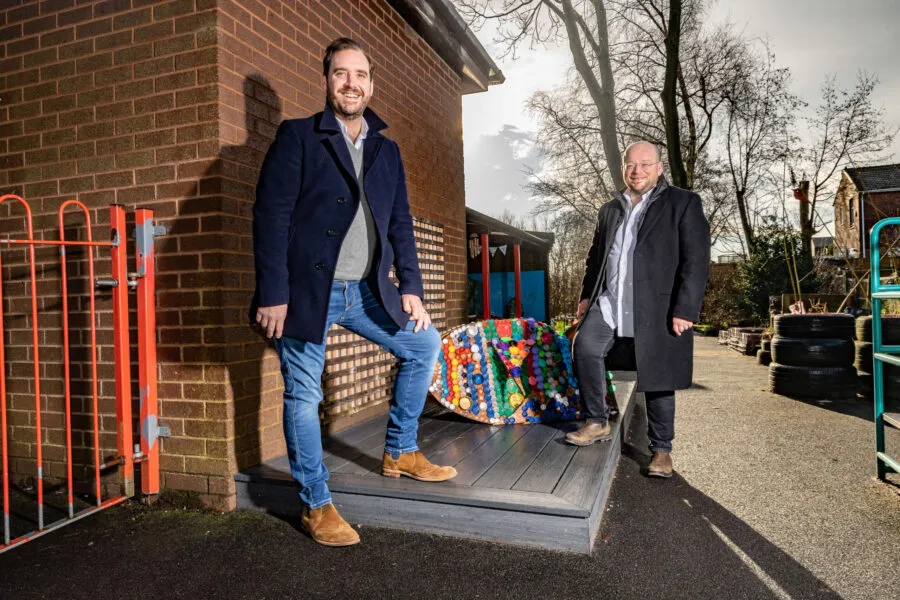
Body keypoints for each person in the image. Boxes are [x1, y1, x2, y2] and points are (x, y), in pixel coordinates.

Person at [250, 38, 456, 547]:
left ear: (371, 84)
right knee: (304, 393)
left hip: (366, 291)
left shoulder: (387, 150)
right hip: (306, 292)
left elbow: (401, 222)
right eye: (341, 73)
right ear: (326, 80)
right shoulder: (299, 136)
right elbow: (271, 215)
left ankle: (400, 451)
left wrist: (411, 287)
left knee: (424, 345)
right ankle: (315, 504)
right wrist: (273, 292)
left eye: (360, 74)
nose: (351, 83)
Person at [566, 141, 710, 479]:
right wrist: (587, 296)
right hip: (610, 301)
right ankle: (597, 420)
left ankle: (661, 450)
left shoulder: (683, 203)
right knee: (585, 347)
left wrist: (686, 308)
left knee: (658, 374)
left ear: (659, 168)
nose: (637, 171)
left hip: (657, 305)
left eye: (645, 164)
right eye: (631, 164)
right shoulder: (609, 209)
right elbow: (596, 257)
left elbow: (697, 259)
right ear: (623, 168)